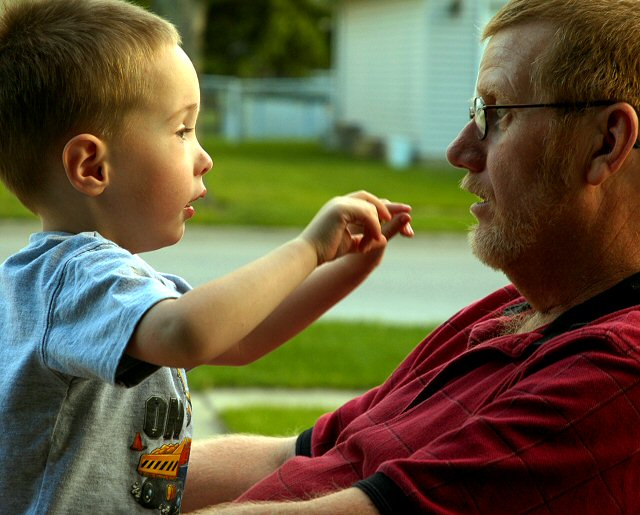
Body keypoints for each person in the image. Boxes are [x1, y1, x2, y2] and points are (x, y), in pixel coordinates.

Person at [181, 0, 640, 513]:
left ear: (607, 141)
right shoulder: (513, 311)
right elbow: (288, 459)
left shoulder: (615, 373)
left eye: (496, 113)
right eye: (474, 113)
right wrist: (92, 467)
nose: (460, 150)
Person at [0, 0, 413, 513]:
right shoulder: (75, 280)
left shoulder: (98, 283)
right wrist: (307, 249)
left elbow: (239, 339)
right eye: (182, 130)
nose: (205, 156)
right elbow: (191, 335)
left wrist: (347, 264)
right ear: (91, 166)